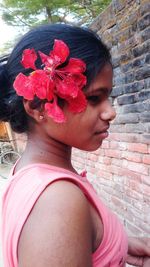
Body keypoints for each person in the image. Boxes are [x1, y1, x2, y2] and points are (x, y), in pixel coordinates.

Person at [1, 23, 150, 267]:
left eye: (108, 97)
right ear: (38, 107)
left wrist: (113, 244)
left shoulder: (27, 172)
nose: (110, 112)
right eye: (94, 98)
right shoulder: (57, 201)